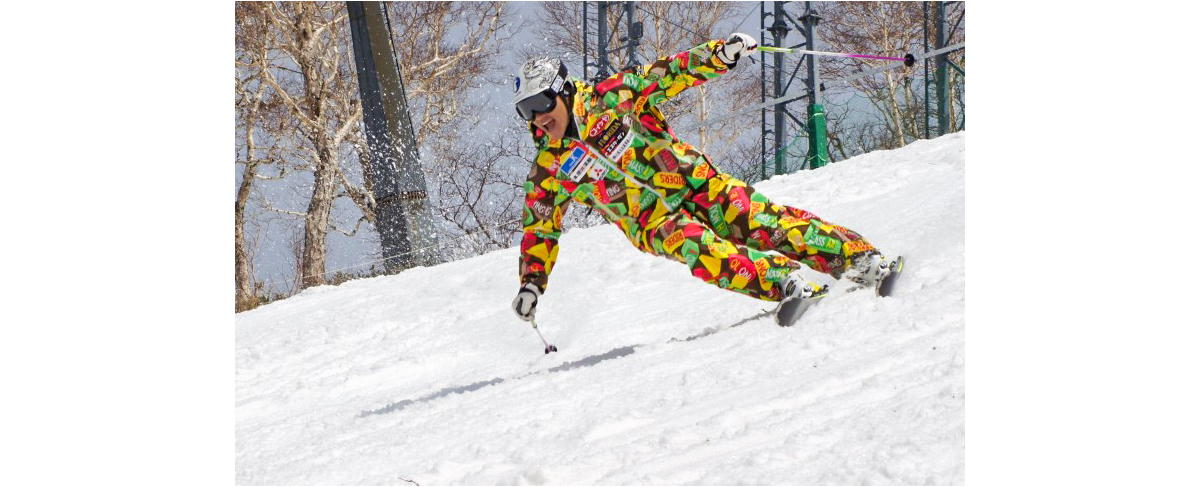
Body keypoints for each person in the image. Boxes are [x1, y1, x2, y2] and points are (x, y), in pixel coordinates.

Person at [510, 34, 895, 327]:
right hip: (653, 222)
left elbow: (670, 73)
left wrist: (718, 55)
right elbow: (540, 229)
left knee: (758, 220)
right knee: (703, 250)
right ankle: (785, 284)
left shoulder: (611, 98)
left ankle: (858, 258)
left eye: (541, 103)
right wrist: (531, 283)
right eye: (525, 111)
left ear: (562, 91)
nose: (537, 117)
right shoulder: (549, 167)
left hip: (693, 181)